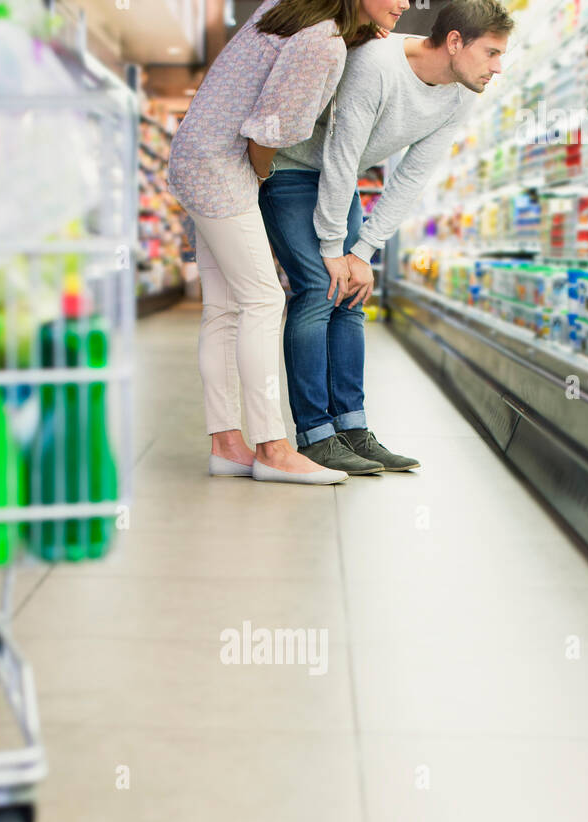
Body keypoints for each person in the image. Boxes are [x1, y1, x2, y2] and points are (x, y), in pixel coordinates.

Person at [259, 0, 514, 475]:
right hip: (292, 169)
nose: (498, 67)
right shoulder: (377, 65)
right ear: (455, 42)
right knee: (319, 289)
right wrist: (335, 249)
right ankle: (315, 435)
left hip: (342, 180)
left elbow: (410, 178)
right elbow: (340, 151)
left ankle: (352, 429)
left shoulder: (460, 94)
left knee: (352, 293)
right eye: (492, 53)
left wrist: (363, 252)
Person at [167, 0, 393, 485]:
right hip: (222, 168)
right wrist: (264, 175)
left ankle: (228, 446)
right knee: (263, 299)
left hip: (196, 153)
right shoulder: (324, 42)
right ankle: (272, 448)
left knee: (225, 306)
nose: (403, 3)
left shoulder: (290, 10)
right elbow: (266, 135)